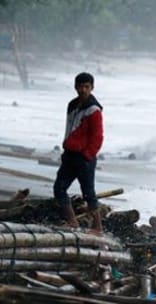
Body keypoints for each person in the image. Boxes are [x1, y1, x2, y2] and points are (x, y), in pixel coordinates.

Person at [53, 71, 104, 232]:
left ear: (92, 88)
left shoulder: (94, 110)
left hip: (84, 157)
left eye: (86, 87)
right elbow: (69, 129)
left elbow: (98, 136)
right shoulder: (72, 105)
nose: (83, 90)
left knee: (89, 193)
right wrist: (66, 147)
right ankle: (72, 221)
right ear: (75, 87)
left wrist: (87, 155)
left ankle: (97, 227)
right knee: (59, 188)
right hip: (70, 155)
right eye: (80, 87)